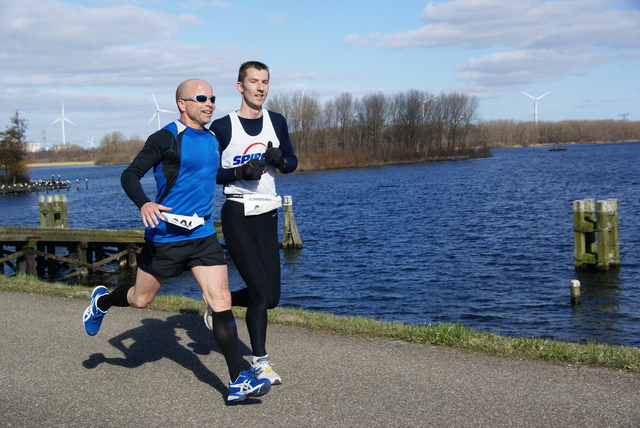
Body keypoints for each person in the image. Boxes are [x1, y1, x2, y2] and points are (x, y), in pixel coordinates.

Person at [82, 78, 270, 403]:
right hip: (166, 237)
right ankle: (101, 301)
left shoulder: (212, 139)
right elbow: (130, 174)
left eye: (212, 98)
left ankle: (238, 380)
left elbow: (211, 176)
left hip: (202, 234)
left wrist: (242, 172)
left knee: (221, 299)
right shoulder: (167, 137)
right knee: (141, 300)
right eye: (201, 98)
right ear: (182, 104)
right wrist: (144, 202)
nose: (209, 103)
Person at [207, 61, 298, 385]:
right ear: (240, 87)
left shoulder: (277, 121)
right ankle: (260, 361)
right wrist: (239, 172)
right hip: (238, 215)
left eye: (265, 82)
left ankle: (221, 304)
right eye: (253, 81)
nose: (260, 87)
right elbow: (210, 172)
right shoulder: (223, 127)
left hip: (268, 215)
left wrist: (280, 162)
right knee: (260, 292)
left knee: (271, 298)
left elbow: (292, 161)